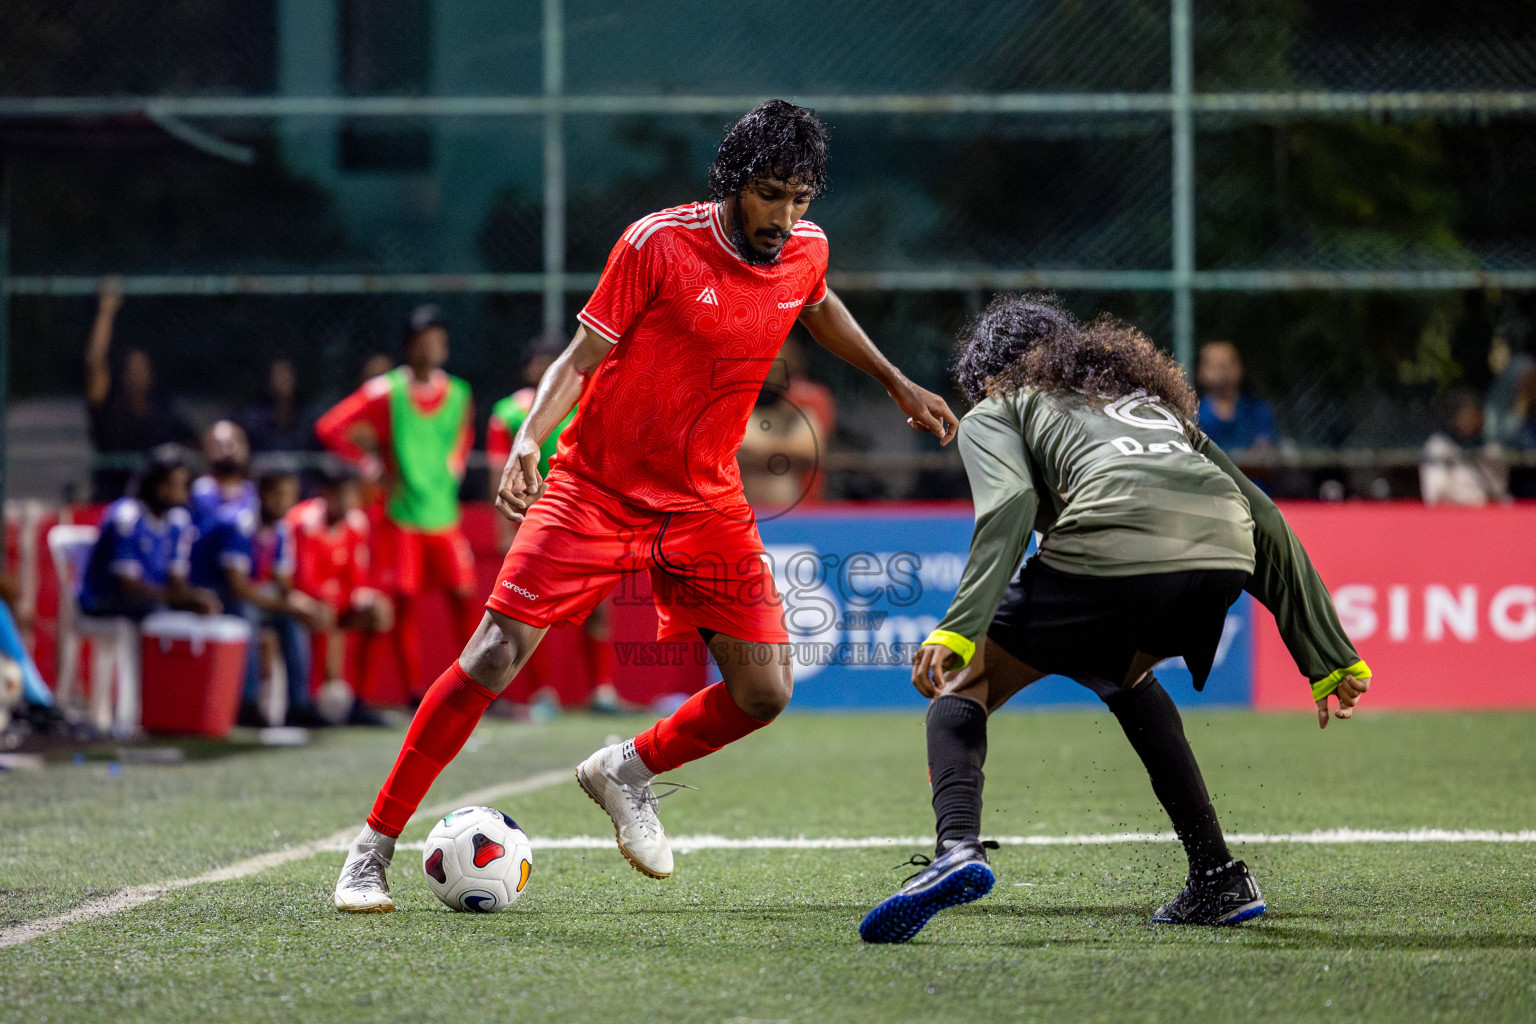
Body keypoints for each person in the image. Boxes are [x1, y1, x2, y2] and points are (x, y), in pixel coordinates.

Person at [332, 99, 960, 912]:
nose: (787, 215)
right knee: (493, 651)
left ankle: (625, 769)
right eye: (772, 193)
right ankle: (370, 852)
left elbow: (818, 299)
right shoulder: (657, 242)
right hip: (595, 489)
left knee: (765, 692)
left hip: (706, 505)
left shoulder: (804, 249)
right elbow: (581, 353)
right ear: (735, 182)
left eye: (803, 198)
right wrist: (530, 440)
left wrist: (896, 382)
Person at [859, 295, 1372, 944]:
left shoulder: (998, 407)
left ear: (989, 375)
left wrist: (960, 625)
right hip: (1222, 558)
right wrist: (1328, 656)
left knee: (963, 691)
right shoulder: (1148, 406)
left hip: (1110, 546)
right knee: (1126, 680)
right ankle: (1217, 876)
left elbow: (1011, 504)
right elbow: (1264, 515)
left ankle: (957, 849)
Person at [315, 307, 479, 700]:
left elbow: (463, 433)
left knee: (467, 599)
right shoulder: (386, 390)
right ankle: (410, 692)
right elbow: (330, 427)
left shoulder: (458, 392)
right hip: (401, 513)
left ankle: (476, 688)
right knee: (401, 605)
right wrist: (369, 465)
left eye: (440, 338)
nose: (435, 346)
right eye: (426, 339)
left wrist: (454, 464)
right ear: (409, 345)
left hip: (443, 513)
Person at [190, 462, 334, 727]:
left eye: (289, 495)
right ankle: (248, 703)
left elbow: (283, 585)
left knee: (294, 621)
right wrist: (287, 604)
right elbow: (238, 588)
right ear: (260, 495)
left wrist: (302, 606)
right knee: (248, 615)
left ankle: (299, 704)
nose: (284, 502)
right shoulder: (239, 523)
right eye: (277, 494)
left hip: (250, 594)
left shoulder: (279, 528)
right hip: (210, 594)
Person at [286, 459, 393, 725]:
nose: (349, 501)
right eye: (342, 494)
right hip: (302, 602)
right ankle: (310, 700)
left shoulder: (357, 524)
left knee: (379, 612)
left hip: (336, 603)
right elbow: (303, 582)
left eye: (352, 493)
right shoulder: (304, 523)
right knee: (322, 613)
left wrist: (351, 597)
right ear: (327, 494)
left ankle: (360, 702)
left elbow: (356, 580)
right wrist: (334, 597)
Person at [78, 445, 219, 620]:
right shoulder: (127, 517)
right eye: (177, 484)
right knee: (157, 611)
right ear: (158, 485)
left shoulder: (178, 521)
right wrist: (180, 599)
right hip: (105, 599)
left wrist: (193, 598)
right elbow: (128, 587)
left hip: (154, 598)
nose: (183, 492)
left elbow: (176, 580)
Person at [83, 278, 194, 501]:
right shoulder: (110, 407)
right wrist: (106, 312)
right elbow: (95, 362)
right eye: (131, 368)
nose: (136, 374)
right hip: (111, 496)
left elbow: (193, 444)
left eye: (141, 368)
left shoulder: (162, 412)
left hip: (155, 502)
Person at [1420, 387, 1510, 506]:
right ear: (1454, 417)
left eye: (1476, 414)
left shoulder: (1491, 449)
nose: (1473, 420)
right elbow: (1436, 494)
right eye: (1467, 414)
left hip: (1488, 515)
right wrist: (1477, 499)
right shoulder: (1438, 447)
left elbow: (1498, 489)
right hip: (1453, 515)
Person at [1196, 340, 1277, 452]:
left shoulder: (1257, 410)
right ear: (1201, 371)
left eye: (1227, 364)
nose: (1221, 371)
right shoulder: (1194, 416)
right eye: (1213, 365)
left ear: (1240, 368)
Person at [241, 358, 316, 455]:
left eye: (287, 376)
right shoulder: (254, 422)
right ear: (269, 383)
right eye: (278, 376)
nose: (283, 380)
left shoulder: (309, 421)